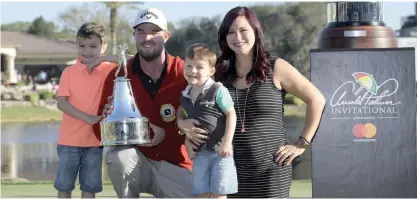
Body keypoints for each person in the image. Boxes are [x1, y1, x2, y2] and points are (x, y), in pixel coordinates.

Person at [177, 6, 326, 198]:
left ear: (255, 31)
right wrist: (182, 125)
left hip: (271, 170)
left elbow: (317, 100)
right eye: (231, 32)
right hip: (226, 167)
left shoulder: (276, 67)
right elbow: (189, 107)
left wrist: (301, 144)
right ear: (225, 37)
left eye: (243, 30)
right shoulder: (218, 73)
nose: (237, 37)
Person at [95, 8, 193, 198]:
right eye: (141, 31)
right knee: (119, 157)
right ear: (135, 36)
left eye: (154, 31)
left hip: (175, 164)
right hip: (136, 163)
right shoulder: (118, 75)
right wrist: (107, 121)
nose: (147, 37)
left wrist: (169, 132)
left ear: (166, 35)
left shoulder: (185, 73)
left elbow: (204, 119)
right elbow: (97, 130)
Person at [54, 22, 117, 198]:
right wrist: (88, 118)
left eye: (93, 46)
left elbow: (133, 60)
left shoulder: (109, 69)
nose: (87, 51)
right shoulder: (69, 72)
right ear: (76, 45)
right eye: (81, 46)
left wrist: (105, 59)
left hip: (95, 143)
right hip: (69, 142)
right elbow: (61, 103)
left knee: (90, 188)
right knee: (64, 187)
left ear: (103, 47)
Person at [179, 43, 238, 198]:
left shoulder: (218, 90)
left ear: (211, 71)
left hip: (220, 152)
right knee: (201, 193)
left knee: (219, 193)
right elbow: (184, 116)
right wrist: (186, 139)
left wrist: (227, 142)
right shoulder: (185, 94)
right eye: (189, 66)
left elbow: (231, 114)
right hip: (199, 154)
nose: (193, 71)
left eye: (199, 67)